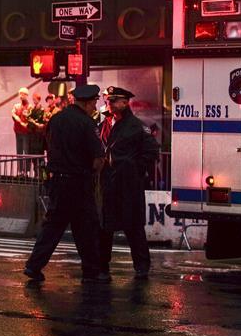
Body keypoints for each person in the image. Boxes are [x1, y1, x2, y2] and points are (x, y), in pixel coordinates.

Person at [24, 84, 108, 283]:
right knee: (86, 226)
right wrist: (94, 174)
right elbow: (98, 158)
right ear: (88, 103)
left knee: (53, 226)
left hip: (57, 181)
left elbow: (47, 146)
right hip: (79, 181)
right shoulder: (87, 123)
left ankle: (34, 266)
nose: (95, 106)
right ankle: (91, 270)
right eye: (94, 102)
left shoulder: (56, 119)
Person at [98, 86, 160, 280]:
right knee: (105, 227)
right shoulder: (105, 124)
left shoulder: (137, 127)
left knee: (133, 226)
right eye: (108, 100)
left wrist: (132, 169)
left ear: (124, 103)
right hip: (107, 183)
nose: (108, 103)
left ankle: (142, 265)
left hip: (128, 184)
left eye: (112, 100)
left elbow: (150, 153)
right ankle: (102, 266)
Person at [12, 87, 32, 155]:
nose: (21, 96)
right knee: (19, 152)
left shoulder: (30, 107)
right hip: (18, 131)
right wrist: (18, 119)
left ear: (26, 95)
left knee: (26, 151)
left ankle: (27, 166)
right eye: (20, 94)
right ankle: (19, 166)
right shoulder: (16, 106)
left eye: (23, 94)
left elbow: (30, 119)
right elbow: (13, 114)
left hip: (26, 132)